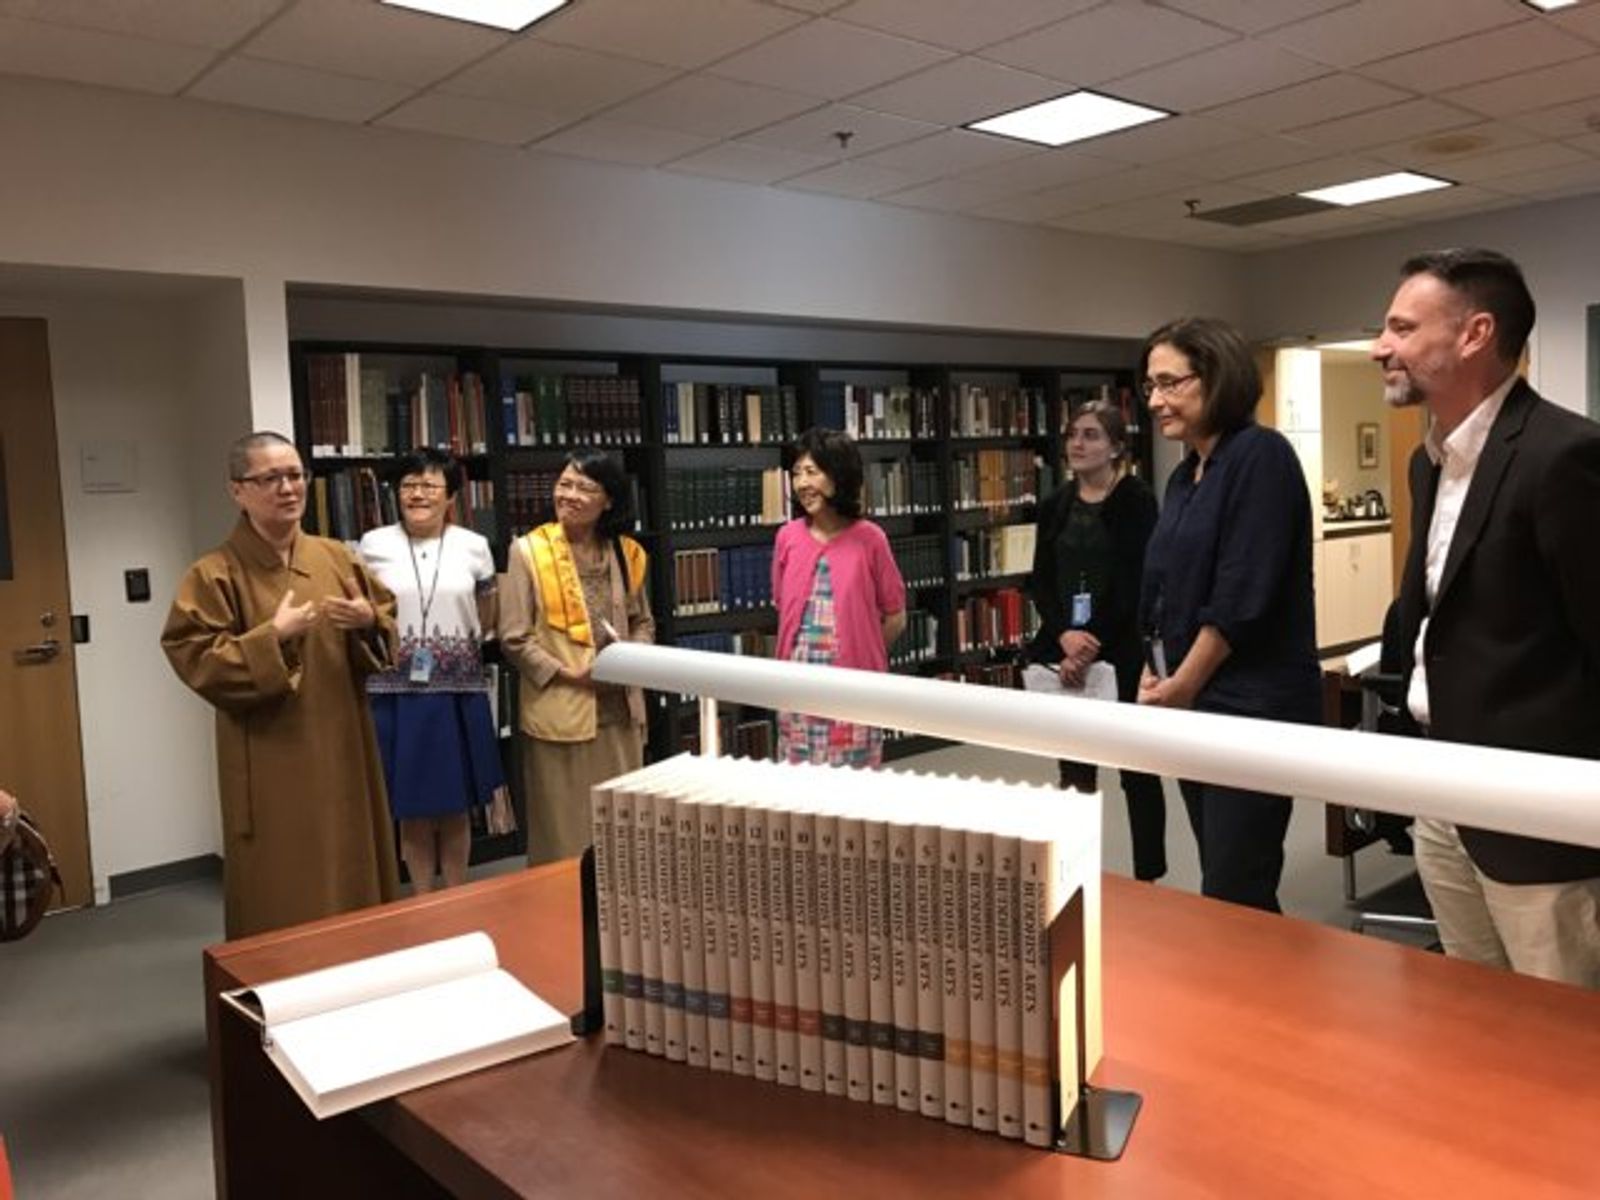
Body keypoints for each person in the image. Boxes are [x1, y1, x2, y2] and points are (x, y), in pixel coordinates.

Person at [1376, 247, 1600, 987]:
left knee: (1564, 1028)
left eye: (1402, 328)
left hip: (1541, 819)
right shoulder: (1428, 463)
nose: (1381, 347)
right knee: (1473, 1014)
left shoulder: (1564, 455)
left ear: (1475, 334)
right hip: (1443, 794)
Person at [161, 432, 400, 938]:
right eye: (270, 478)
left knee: (351, 861)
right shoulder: (214, 573)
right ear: (238, 490)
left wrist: (368, 622)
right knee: (282, 881)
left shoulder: (337, 558)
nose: (288, 489)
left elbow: (385, 626)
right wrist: (272, 638)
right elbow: (194, 656)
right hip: (270, 754)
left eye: (295, 475)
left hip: (344, 743)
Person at [1136, 318, 1319, 912]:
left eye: (1170, 383)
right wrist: (1152, 668)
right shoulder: (1184, 476)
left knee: (1235, 886)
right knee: (1222, 873)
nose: (1155, 400)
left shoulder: (1261, 456)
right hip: (1194, 700)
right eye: (1150, 385)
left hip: (1250, 706)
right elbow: (1163, 587)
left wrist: (1183, 683)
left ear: (1216, 378)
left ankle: (1265, 975)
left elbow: (1242, 594)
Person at [1027, 400, 1166, 882]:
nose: (1077, 444)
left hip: (1121, 649)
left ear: (1117, 447)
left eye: (1090, 435)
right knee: (1074, 768)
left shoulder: (1136, 500)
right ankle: (1075, 870)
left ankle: (1149, 877)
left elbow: (1135, 582)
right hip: (1063, 649)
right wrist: (1065, 636)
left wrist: (1091, 643)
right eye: (1072, 434)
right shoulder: (1055, 505)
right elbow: (1041, 580)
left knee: (1136, 769)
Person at [358, 448, 507, 894]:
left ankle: (456, 896)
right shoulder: (373, 544)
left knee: (456, 804)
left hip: (458, 688)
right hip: (396, 691)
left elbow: (488, 610)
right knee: (412, 805)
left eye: (429, 485)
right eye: (408, 485)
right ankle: (422, 900)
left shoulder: (473, 545)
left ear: (451, 497)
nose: (417, 494)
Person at [500, 449, 654, 865]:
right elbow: (514, 637)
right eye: (564, 484)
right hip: (561, 710)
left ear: (609, 500)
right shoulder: (527, 551)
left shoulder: (626, 552)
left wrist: (631, 658)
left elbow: (643, 621)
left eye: (584, 488)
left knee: (621, 828)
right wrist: (571, 674)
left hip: (620, 712)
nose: (569, 495)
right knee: (564, 834)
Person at [773, 427, 907, 768]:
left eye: (812, 472)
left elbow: (895, 616)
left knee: (851, 788)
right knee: (797, 787)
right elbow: (783, 608)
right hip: (796, 690)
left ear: (839, 475)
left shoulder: (871, 539)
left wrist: (863, 651)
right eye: (796, 473)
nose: (802, 483)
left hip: (854, 690)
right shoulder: (787, 537)